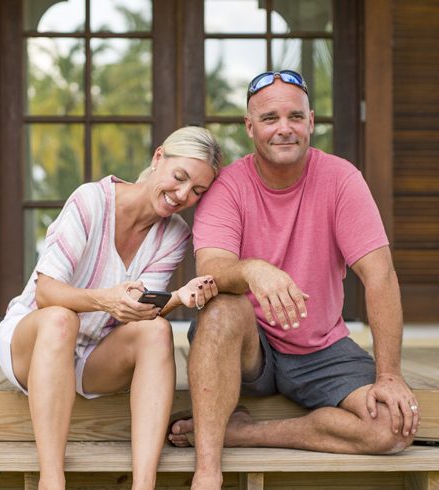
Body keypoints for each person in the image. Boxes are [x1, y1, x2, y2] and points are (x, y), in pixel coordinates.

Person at [168, 71, 419, 489]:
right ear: (250, 127)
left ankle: (241, 433)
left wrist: (389, 374)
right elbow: (210, 270)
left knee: (392, 429)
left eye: (294, 117)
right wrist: (252, 268)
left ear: (311, 121)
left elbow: (380, 276)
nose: (284, 128)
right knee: (220, 308)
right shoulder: (227, 186)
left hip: (322, 346)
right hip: (253, 348)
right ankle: (207, 473)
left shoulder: (341, 179)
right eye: (269, 118)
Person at [0, 126, 222, 490]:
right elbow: (46, 293)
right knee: (59, 319)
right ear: (158, 157)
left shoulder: (175, 235)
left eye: (197, 191)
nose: (182, 195)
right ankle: (51, 480)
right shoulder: (91, 201)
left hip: (93, 357)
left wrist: (177, 297)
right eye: (179, 178)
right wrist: (104, 299)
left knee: (157, 331)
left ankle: (143, 485)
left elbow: (136, 310)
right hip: (33, 343)